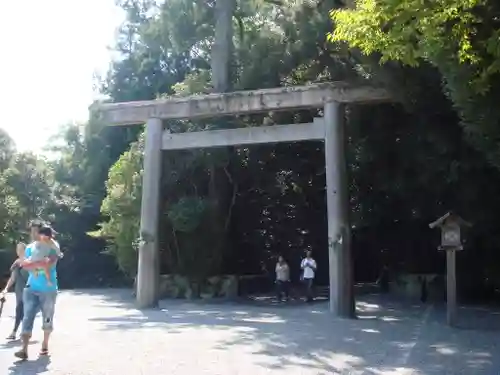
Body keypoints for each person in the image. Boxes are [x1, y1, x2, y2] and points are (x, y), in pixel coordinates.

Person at [15, 224, 60, 360]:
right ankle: (24, 349)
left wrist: (34, 265)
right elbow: (24, 265)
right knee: (27, 316)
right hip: (31, 288)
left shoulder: (53, 247)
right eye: (33, 231)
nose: (34, 234)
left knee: (47, 316)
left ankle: (45, 344)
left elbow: (50, 264)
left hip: (48, 290)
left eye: (36, 231)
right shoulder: (30, 248)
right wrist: (37, 265)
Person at [0, 243, 29, 340]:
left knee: (24, 311)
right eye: (17, 249)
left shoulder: (31, 262)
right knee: (20, 311)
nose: (19, 251)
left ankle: (19, 331)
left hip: (29, 291)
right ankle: (18, 332)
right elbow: (12, 278)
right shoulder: (16, 263)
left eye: (21, 249)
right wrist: (6, 289)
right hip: (19, 291)